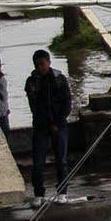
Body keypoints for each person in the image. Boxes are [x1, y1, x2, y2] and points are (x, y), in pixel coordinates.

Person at [24, 49, 71, 207]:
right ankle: (38, 193)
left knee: (61, 160)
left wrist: (57, 122)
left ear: (49, 63)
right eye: (37, 65)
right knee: (38, 162)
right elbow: (33, 106)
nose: (40, 67)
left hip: (59, 124)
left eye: (42, 64)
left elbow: (67, 103)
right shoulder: (31, 82)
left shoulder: (60, 79)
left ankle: (62, 192)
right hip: (40, 126)